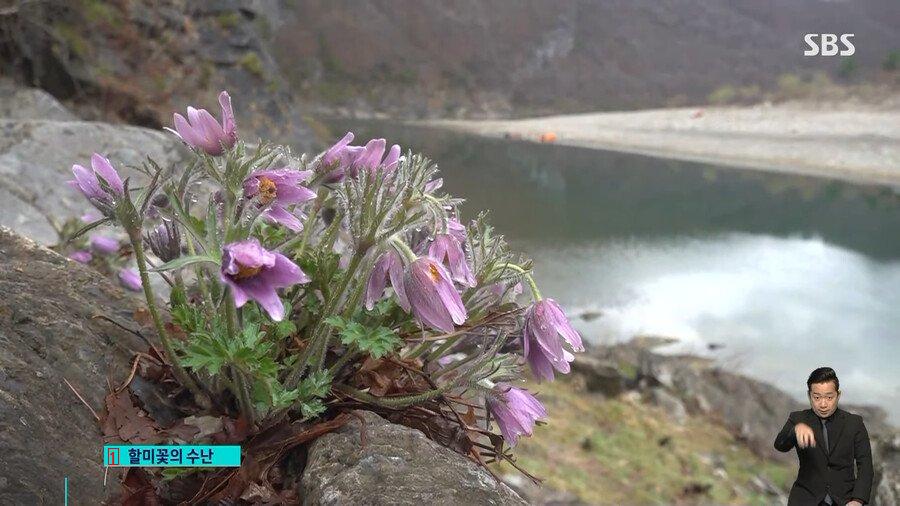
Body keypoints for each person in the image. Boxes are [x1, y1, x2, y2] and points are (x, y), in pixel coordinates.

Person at [774, 367, 874, 505]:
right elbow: (780, 445)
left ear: (838, 395)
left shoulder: (854, 423)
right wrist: (795, 430)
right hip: (805, 499)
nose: (823, 404)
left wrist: (858, 499)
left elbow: (866, 465)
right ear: (809, 395)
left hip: (845, 500)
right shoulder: (797, 418)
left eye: (829, 397)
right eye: (817, 397)